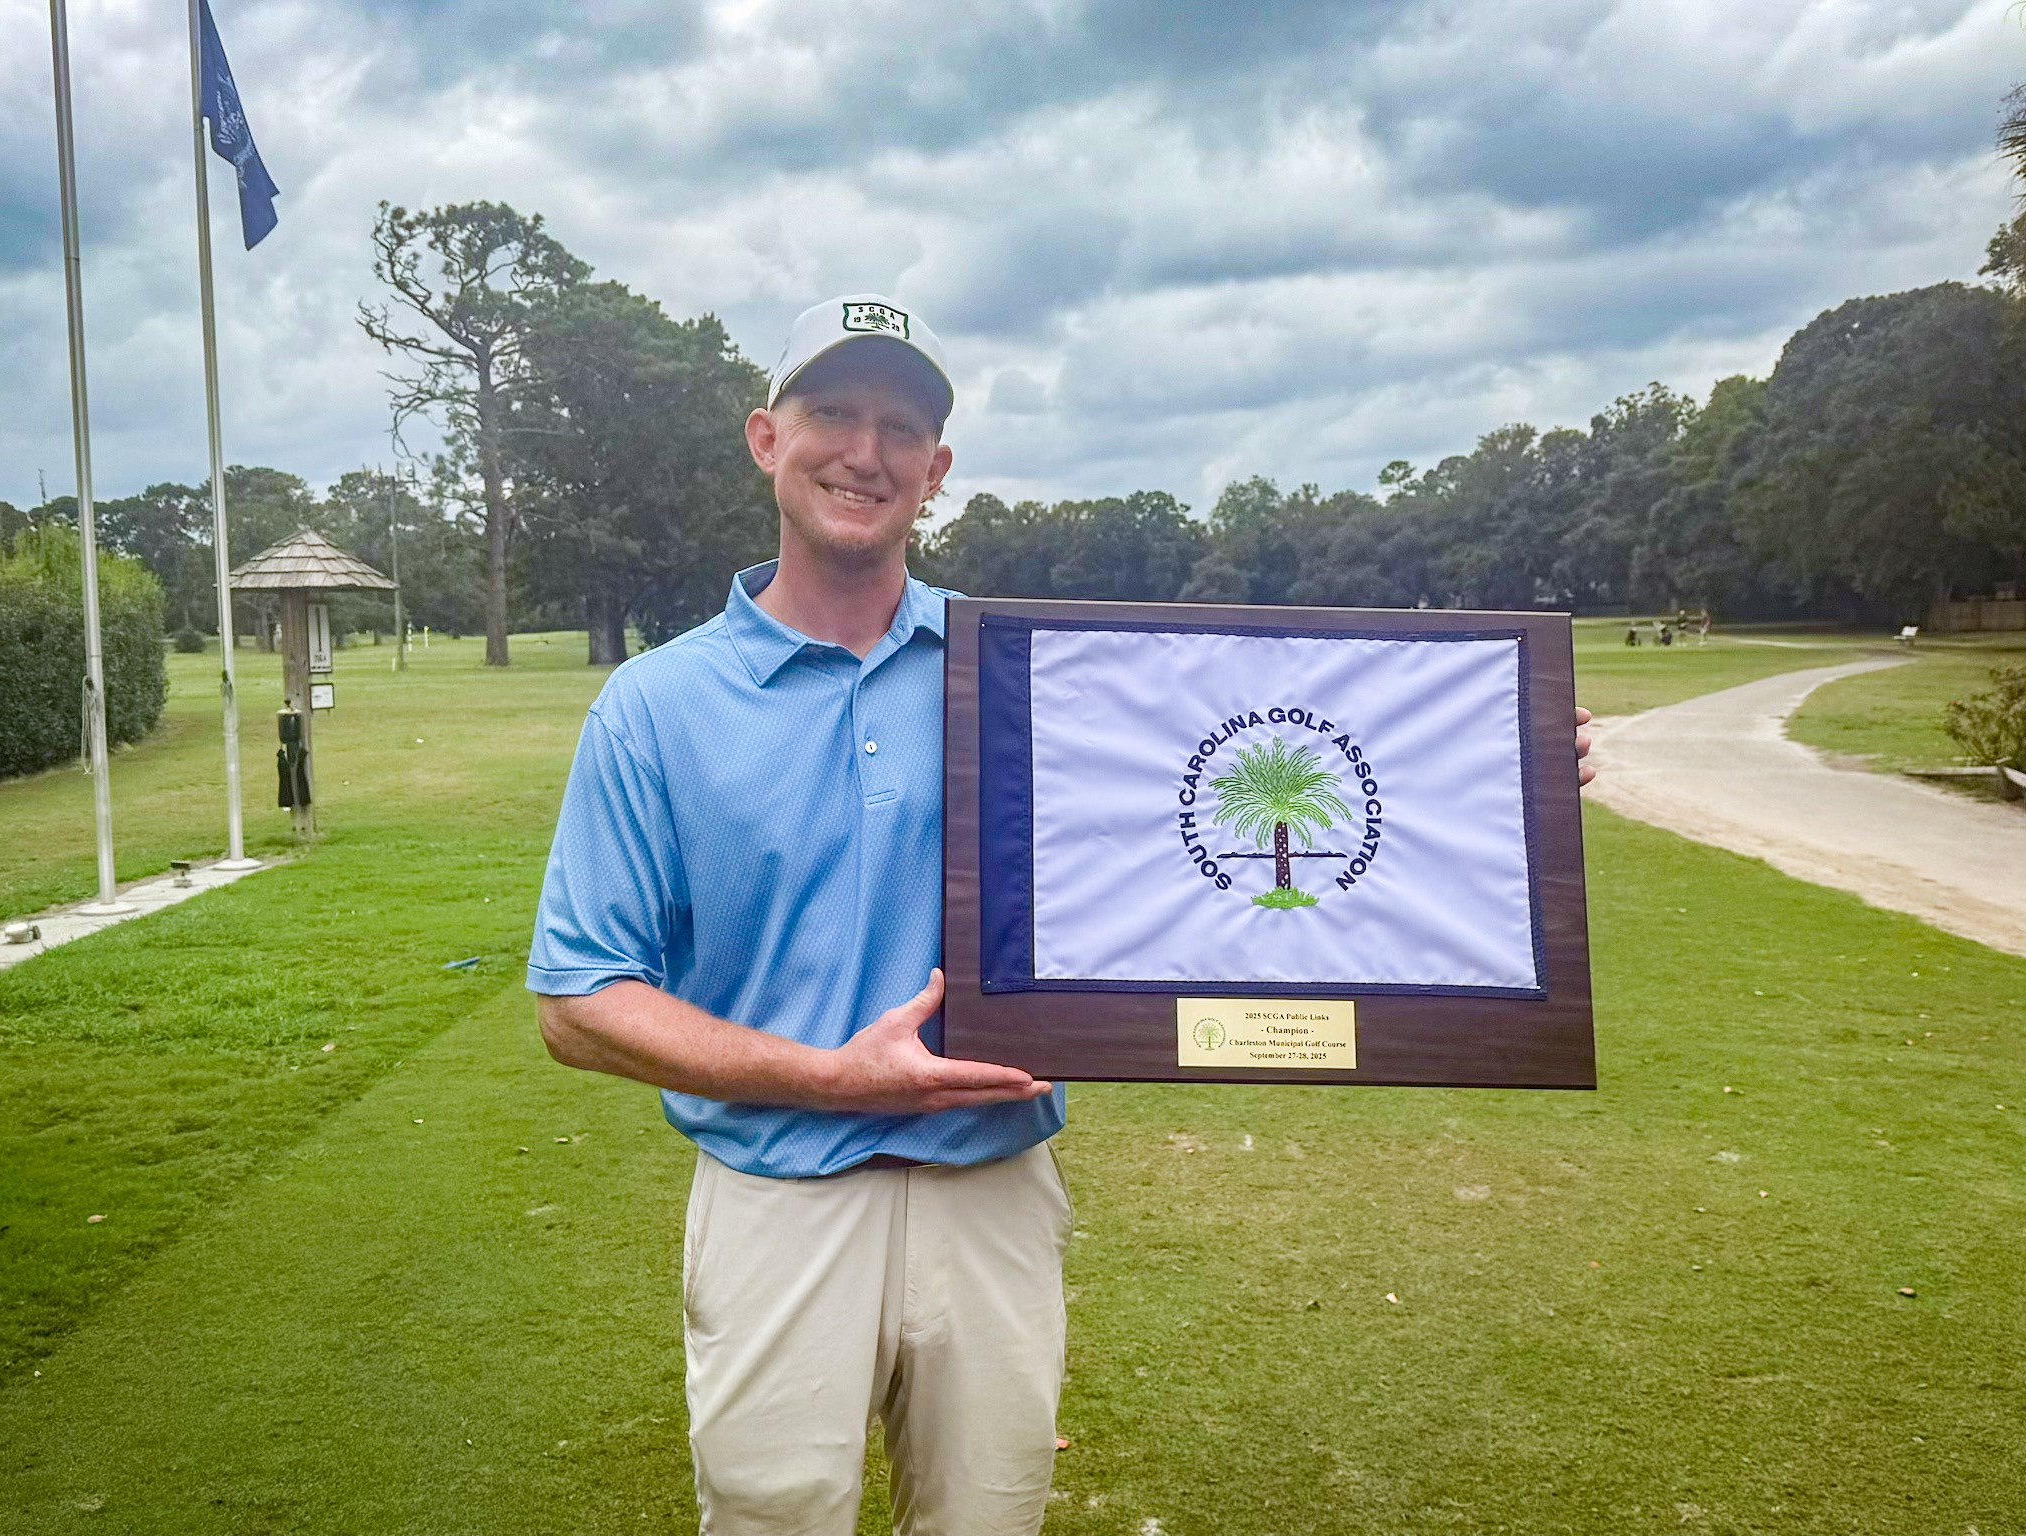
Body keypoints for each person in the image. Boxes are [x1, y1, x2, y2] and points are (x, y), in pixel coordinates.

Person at [527, 294, 1599, 1536]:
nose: (862, 452)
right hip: (781, 1188)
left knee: (988, 1520)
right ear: (767, 438)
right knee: (771, 1520)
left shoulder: (1034, 673)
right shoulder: (656, 704)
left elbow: (1232, 758)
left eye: (900, 426)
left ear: (937, 470)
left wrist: (1493, 765)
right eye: (831, 412)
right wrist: (826, 1077)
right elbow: (578, 1004)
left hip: (993, 1179)